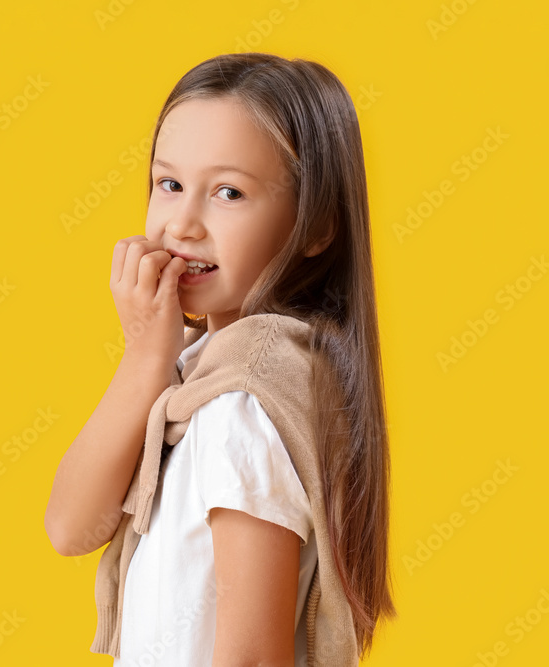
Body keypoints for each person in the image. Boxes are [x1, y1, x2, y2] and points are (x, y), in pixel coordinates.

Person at [44, 52, 397, 666]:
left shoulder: (242, 400)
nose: (182, 224)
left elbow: (252, 658)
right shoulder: (198, 371)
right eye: (169, 184)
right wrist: (145, 357)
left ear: (315, 228)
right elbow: (70, 527)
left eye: (229, 192)